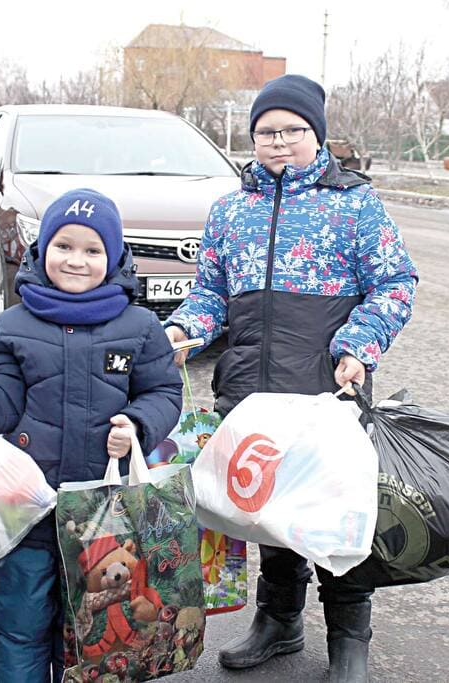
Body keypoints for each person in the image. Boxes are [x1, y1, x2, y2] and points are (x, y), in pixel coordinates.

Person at [164, 74, 419, 682]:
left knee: (336, 510)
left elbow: (396, 283)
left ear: (317, 135)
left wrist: (360, 345)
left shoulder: (353, 202)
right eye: (266, 132)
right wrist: (180, 333)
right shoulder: (231, 211)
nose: (279, 142)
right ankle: (278, 622)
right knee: (266, 505)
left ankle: (349, 642)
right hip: (251, 386)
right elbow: (210, 295)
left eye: (292, 131)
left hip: (329, 384)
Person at [0, 188, 182, 683]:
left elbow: (164, 391)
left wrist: (136, 423)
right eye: (63, 246)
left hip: (105, 523)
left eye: (92, 251)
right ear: (41, 248)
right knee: (18, 623)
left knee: (95, 631)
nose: (76, 260)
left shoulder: (139, 328)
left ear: (114, 257)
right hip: (29, 510)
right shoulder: (12, 326)